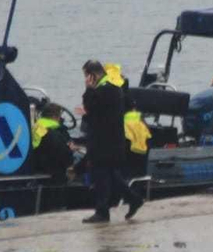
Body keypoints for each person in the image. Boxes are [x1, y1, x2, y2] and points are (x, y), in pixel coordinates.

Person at [80, 59, 145, 223]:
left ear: (92, 76)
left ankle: (102, 212)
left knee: (101, 176)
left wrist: (88, 89)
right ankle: (133, 199)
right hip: (110, 139)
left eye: (86, 77)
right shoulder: (111, 88)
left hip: (105, 141)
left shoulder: (105, 89)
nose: (86, 80)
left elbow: (90, 106)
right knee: (111, 175)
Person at [28, 102, 76, 184]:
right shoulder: (53, 132)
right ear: (54, 117)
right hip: (51, 170)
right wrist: (70, 149)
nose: (60, 119)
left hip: (36, 163)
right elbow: (66, 158)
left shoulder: (37, 126)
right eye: (59, 116)